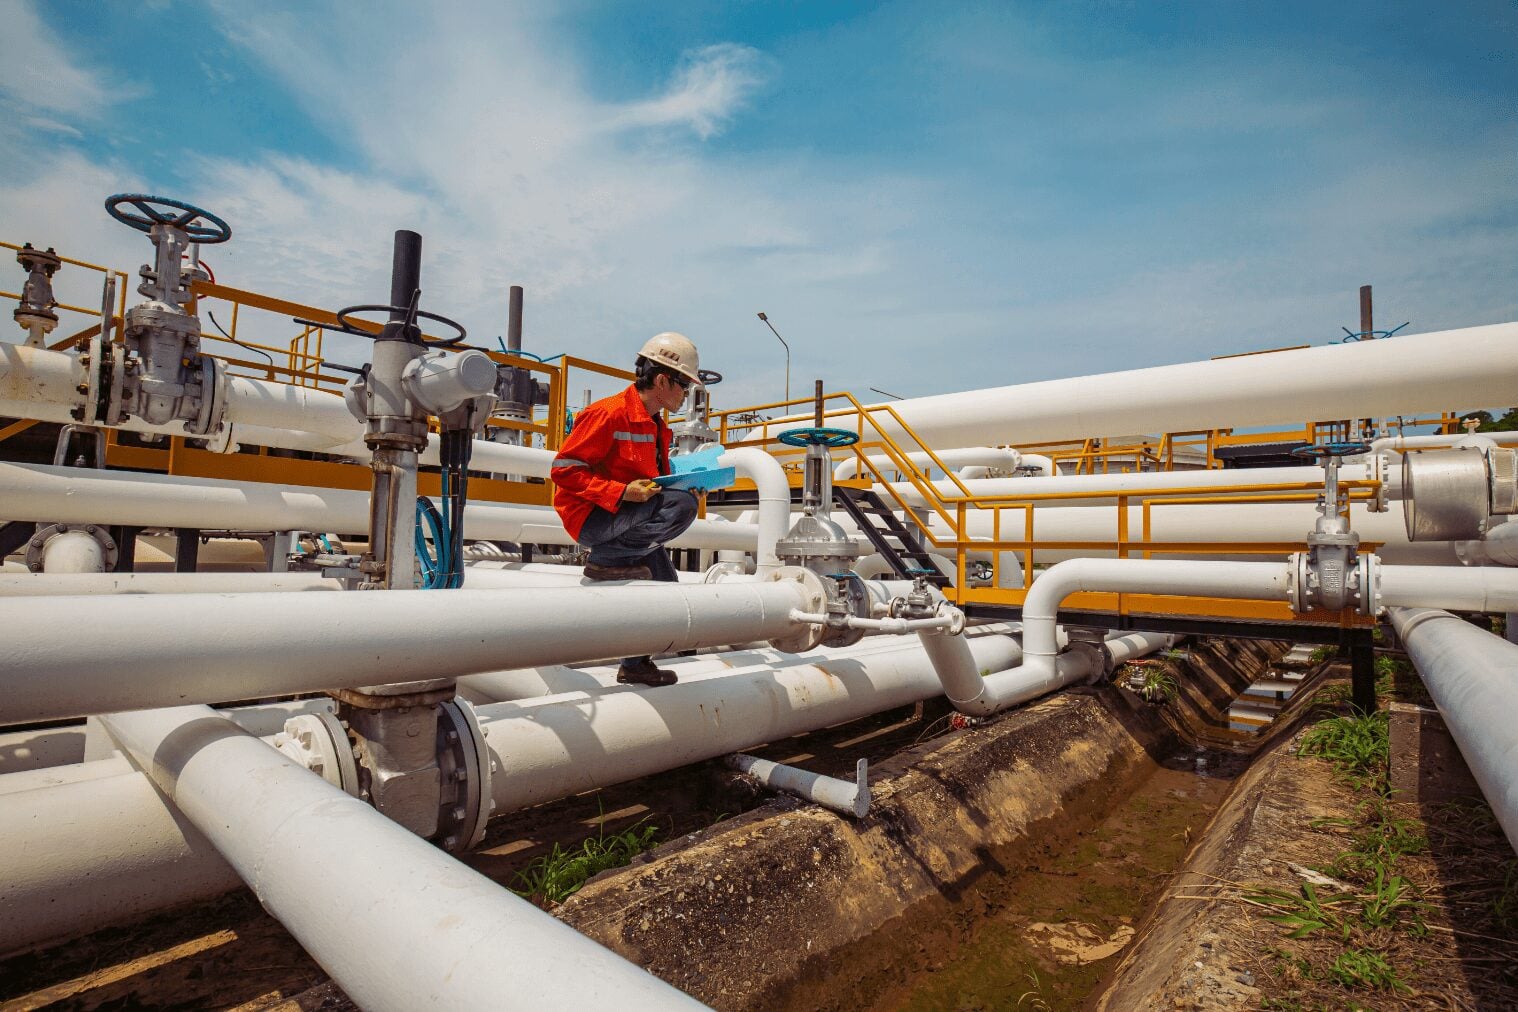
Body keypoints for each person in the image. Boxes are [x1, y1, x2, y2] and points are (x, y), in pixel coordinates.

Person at [550, 332, 704, 686]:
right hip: (594, 518)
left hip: (625, 518)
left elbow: (653, 482)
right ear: (663, 380)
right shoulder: (607, 414)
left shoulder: (656, 425)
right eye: (683, 385)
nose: (686, 394)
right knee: (681, 506)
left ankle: (635, 665)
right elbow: (562, 471)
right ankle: (606, 559)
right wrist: (620, 492)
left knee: (665, 587)